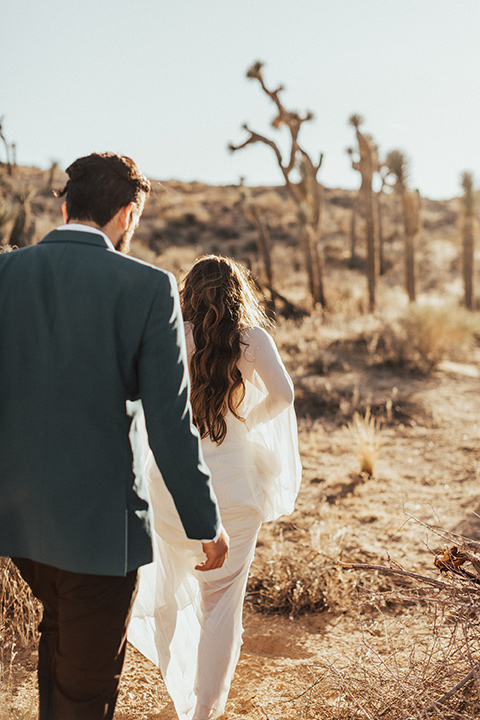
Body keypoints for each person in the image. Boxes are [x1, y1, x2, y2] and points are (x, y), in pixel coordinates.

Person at [0, 154, 228, 720]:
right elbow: (171, 426)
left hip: (17, 522)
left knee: (59, 647)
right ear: (128, 214)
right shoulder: (149, 288)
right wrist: (206, 522)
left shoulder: (4, 274)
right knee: (85, 691)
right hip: (99, 533)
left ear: (64, 205)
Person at [128, 255, 302, 720]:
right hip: (236, 488)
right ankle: (204, 708)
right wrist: (246, 420)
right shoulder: (252, 340)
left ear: (189, 292)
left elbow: (144, 399)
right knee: (222, 602)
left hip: (174, 487)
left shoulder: (173, 335)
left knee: (174, 582)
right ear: (236, 292)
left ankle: (183, 688)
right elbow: (283, 396)